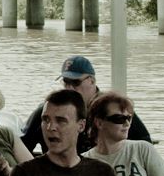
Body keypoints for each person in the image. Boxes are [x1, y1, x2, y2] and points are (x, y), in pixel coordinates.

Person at [20, 56, 153, 154]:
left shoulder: (115, 110)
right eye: (66, 82)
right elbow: (22, 146)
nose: (70, 88)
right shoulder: (47, 111)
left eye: (76, 83)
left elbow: (145, 145)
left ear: (92, 81)